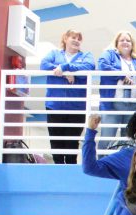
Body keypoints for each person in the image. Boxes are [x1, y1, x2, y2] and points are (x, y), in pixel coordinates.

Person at [41, 29, 95, 164]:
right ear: (65, 39)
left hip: (76, 107)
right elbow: (44, 65)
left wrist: (66, 68)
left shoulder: (86, 55)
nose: (76, 40)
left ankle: (70, 168)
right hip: (55, 106)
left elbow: (89, 67)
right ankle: (58, 169)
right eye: (73, 37)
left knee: (72, 141)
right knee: (56, 140)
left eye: (79, 38)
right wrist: (65, 73)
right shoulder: (54, 53)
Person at [97, 30, 136, 149]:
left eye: (128, 40)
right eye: (122, 40)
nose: (125, 42)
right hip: (113, 104)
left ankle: (124, 167)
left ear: (132, 44)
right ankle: (100, 165)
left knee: (128, 142)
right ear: (116, 43)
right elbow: (102, 65)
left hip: (133, 105)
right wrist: (122, 75)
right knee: (106, 139)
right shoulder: (110, 55)